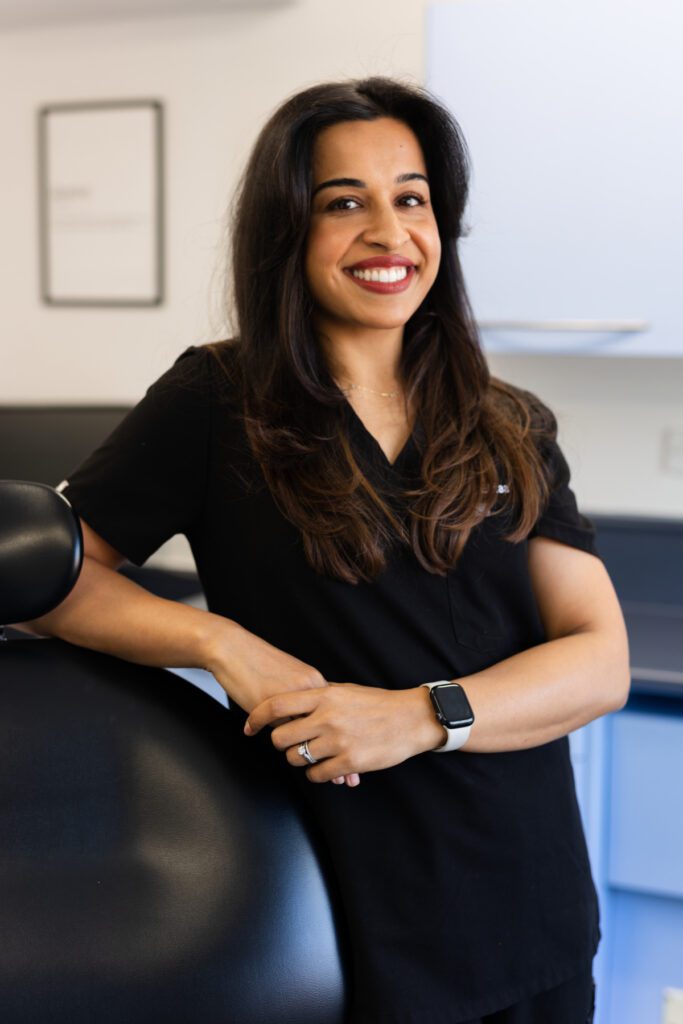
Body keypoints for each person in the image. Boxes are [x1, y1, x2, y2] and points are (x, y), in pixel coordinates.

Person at [23, 77, 629, 1023]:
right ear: (286, 233)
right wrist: (221, 644)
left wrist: (422, 716)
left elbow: (598, 660)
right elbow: (53, 583)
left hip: (533, 913)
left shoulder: (507, 423)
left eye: (411, 198)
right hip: (335, 922)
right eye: (343, 202)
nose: (388, 232)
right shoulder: (218, 403)